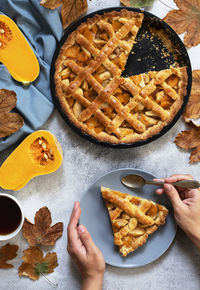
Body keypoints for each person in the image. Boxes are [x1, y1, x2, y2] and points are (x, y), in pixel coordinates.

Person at [67, 174, 200, 289]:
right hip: (133, 232)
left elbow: (148, 222)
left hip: (139, 228)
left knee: (142, 218)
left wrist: (92, 278)